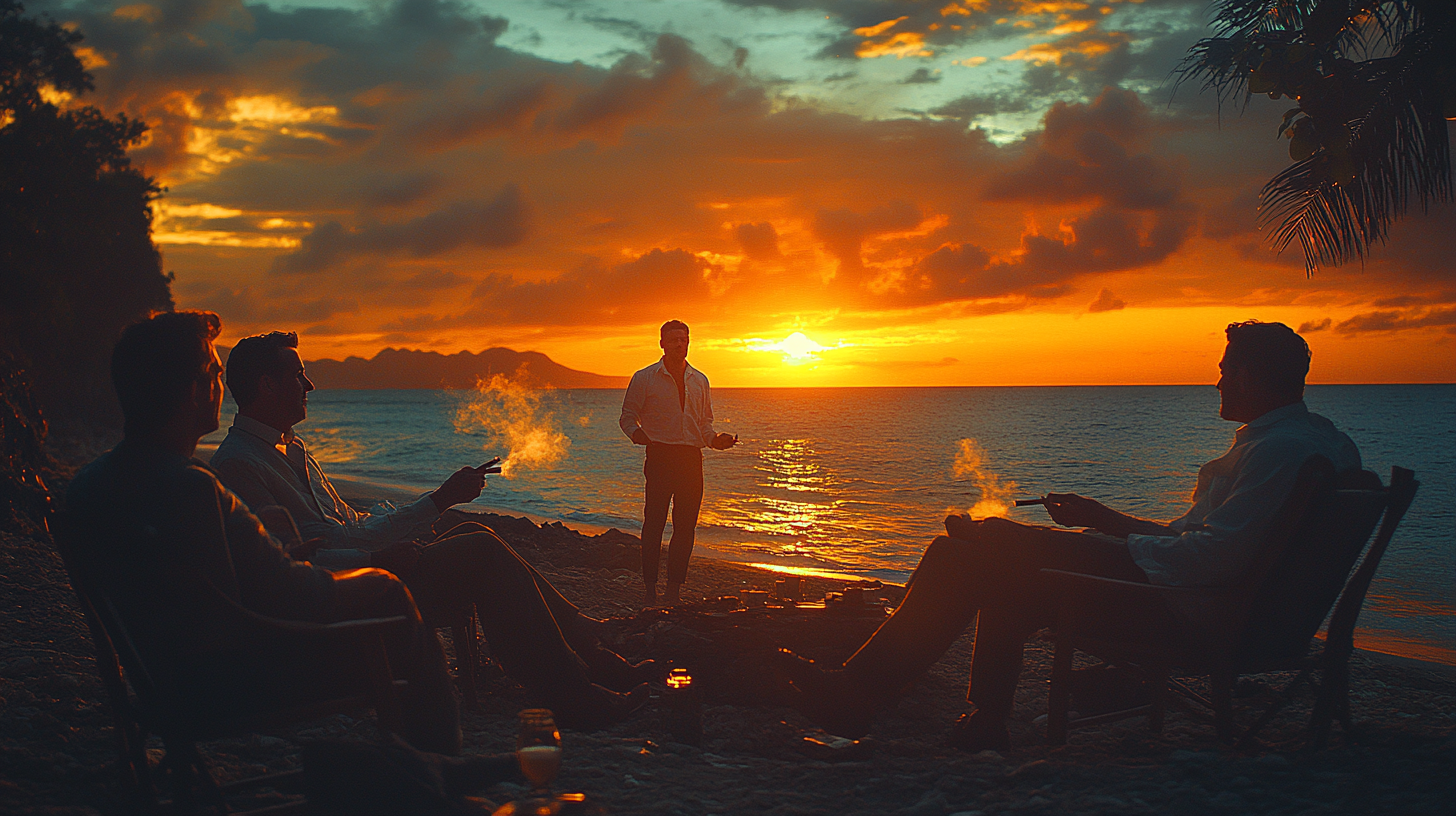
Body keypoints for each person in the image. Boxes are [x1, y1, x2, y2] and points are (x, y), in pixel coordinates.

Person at [776, 321, 1362, 750]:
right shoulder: (1319, 442)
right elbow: (1205, 548)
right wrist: (1104, 523)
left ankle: (870, 689)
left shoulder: (1278, 452)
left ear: (1254, 377)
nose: (1216, 382)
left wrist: (1107, 549)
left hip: (1196, 619)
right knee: (982, 562)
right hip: (1220, 606)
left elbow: (1207, 562)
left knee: (977, 552)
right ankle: (978, 717)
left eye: (1225, 370)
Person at [209, 331, 650, 729]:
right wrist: (405, 532)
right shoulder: (239, 464)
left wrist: (429, 510)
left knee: (473, 538)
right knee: (480, 550)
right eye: (299, 375)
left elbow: (350, 524)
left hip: (364, 574)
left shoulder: (293, 447)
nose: (309, 387)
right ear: (267, 385)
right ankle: (575, 692)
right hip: (346, 596)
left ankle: (589, 652)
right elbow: (292, 560)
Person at [65, 311, 460, 754]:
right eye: (215, 374)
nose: (223, 389)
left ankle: (424, 769)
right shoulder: (193, 486)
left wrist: (270, 547)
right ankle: (438, 767)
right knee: (389, 595)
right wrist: (369, 570)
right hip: (231, 686)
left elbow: (208, 579)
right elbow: (294, 593)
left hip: (164, 683)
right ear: (193, 392)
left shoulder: (88, 486)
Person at [619, 320, 738, 606]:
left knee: (686, 528)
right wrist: (638, 435)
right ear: (662, 343)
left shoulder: (700, 380)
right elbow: (627, 416)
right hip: (659, 456)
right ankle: (650, 589)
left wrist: (716, 439)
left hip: (690, 460)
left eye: (684, 339)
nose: (680, 345)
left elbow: (704, 424)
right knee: (654, 525)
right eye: (673, 340)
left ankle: (674, 590)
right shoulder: (644, 378)